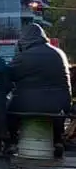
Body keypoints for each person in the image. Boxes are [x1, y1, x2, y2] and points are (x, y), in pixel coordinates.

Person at [8, 24, 72, 158]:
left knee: (8, 110)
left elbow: (9, 75)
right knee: (53, 109)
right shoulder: (59, 53)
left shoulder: (24, 56)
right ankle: (57, 141)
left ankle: (12, 141)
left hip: (28, 104)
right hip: (61, 104)